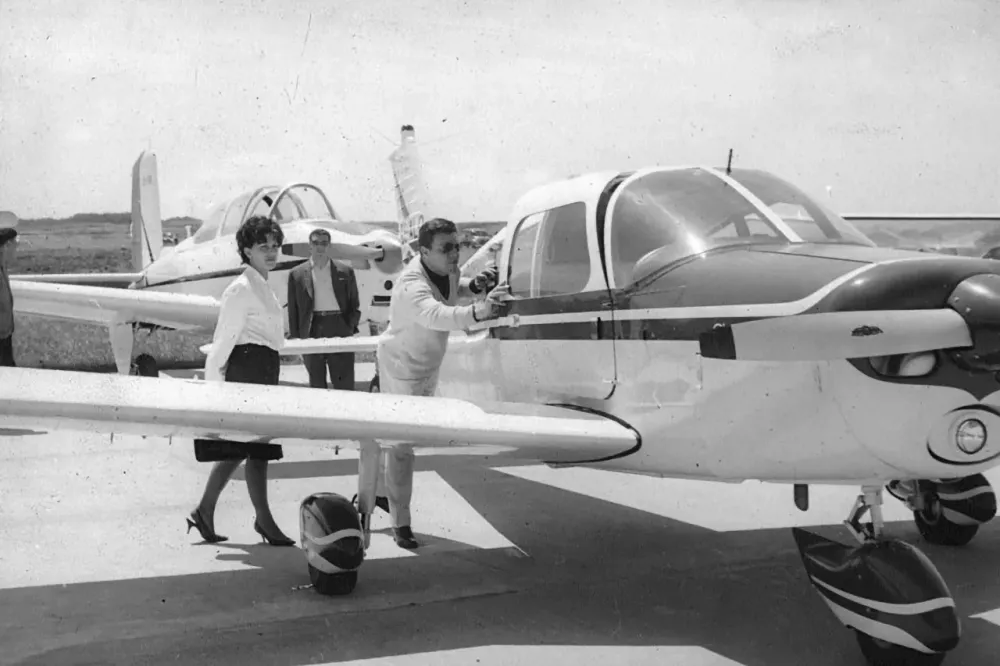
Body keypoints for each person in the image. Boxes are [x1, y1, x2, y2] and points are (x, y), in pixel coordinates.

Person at [362, 217, 502, 549]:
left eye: (457, 245)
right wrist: (479, 312)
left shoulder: (446, 268)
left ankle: (379, 493)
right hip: (401, 369)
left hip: (427, 365)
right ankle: (401, 523)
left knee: (398, 442)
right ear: (424, 252)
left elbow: (451, 288)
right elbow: (435, 314)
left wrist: (472, 286)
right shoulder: (411, 284)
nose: (455, 254)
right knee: (402, 447)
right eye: (446, 248)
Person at [187, 215, 295, 547]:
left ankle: (204, 510)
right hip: (247, 371)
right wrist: (213, 392)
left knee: (239, 449)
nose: (271, 252)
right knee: (257, 450)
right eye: (263, 246)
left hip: (265, 369)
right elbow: (222, 344)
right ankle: (264, 521)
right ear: (246, 250)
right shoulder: (240, 289)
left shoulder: (263, 286)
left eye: (275, 245)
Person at [286, 228, 361, 390]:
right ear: (309, 246)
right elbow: (293, 310)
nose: (320, 247)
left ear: (329, 246)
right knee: (316, 383)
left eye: (324, 243)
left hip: (339, 325)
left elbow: (354, 303)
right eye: (316, 243)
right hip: (311, 328)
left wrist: (349, 326)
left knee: (344, 382)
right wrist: (297, 338)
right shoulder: (296, 274)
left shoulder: (345, 271)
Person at [0, 215, 19, 367]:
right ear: (6, 246)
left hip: (5, 334)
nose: (16, 250)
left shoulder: (3, 268)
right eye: (14, 245)